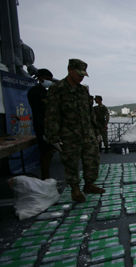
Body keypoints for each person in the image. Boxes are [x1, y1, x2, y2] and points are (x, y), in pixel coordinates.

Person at [44, 59, 105, 203]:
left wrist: (96, 131)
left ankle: (89, 184)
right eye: (78, 73)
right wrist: (53, 136)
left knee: (92, 159)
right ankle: (75, 189)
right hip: (69, 134)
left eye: (83, 74)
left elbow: (90, 113)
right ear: (70, 70)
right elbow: (52, 114)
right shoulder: (57, 89)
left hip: (87, 132)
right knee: (71, 163)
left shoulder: (83, 90)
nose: (81, 77)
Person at [27, 68, 55, 180]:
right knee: (46, 153)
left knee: (50, 153)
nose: (49, 82)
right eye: (47, 79)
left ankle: (47, 178)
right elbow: (37, 112)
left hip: (51, 127)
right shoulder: (34, 92)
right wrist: (42, 130)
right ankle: (45, 179)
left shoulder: (48, 93)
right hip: (41, 127)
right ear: (40, 78)